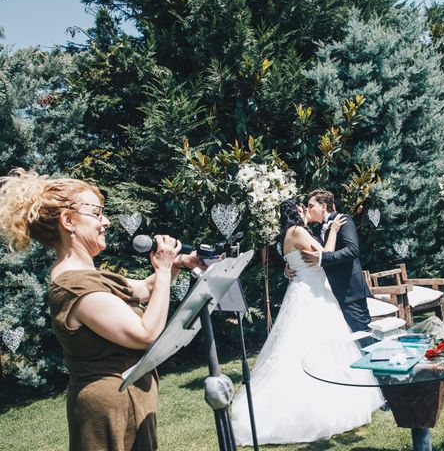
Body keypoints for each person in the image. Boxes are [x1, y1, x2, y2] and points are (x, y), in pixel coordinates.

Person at [0, 168, 203, 451]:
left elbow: (145, 289)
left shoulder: (89, 276)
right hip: (110, 412)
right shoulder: (74, 284)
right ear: (69, 220)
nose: (105, 221)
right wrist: (166, 269)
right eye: (96, 213)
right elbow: (145, 333)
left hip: (127, 400)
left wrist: (178, 264)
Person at [231, 198, 383, 445]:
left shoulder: (286, 236)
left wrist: (287, 270)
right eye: (303, 207)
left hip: (308, 290)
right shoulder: (299, 231)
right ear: (297, 212)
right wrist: (332, 232)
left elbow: (297, 262)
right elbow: (326, 254)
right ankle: (315, 411)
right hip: (313, 296)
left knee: (313, 347)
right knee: (316, 347)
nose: (306, 210)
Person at [301, 189, 372, 332]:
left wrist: (322, 257)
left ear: (323, 206)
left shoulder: (343, 219)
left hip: (349, 290)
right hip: (329, 293)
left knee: (363, 335)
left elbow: (352, 250)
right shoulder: (315, 231)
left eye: (311, 206)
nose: (307, 210)